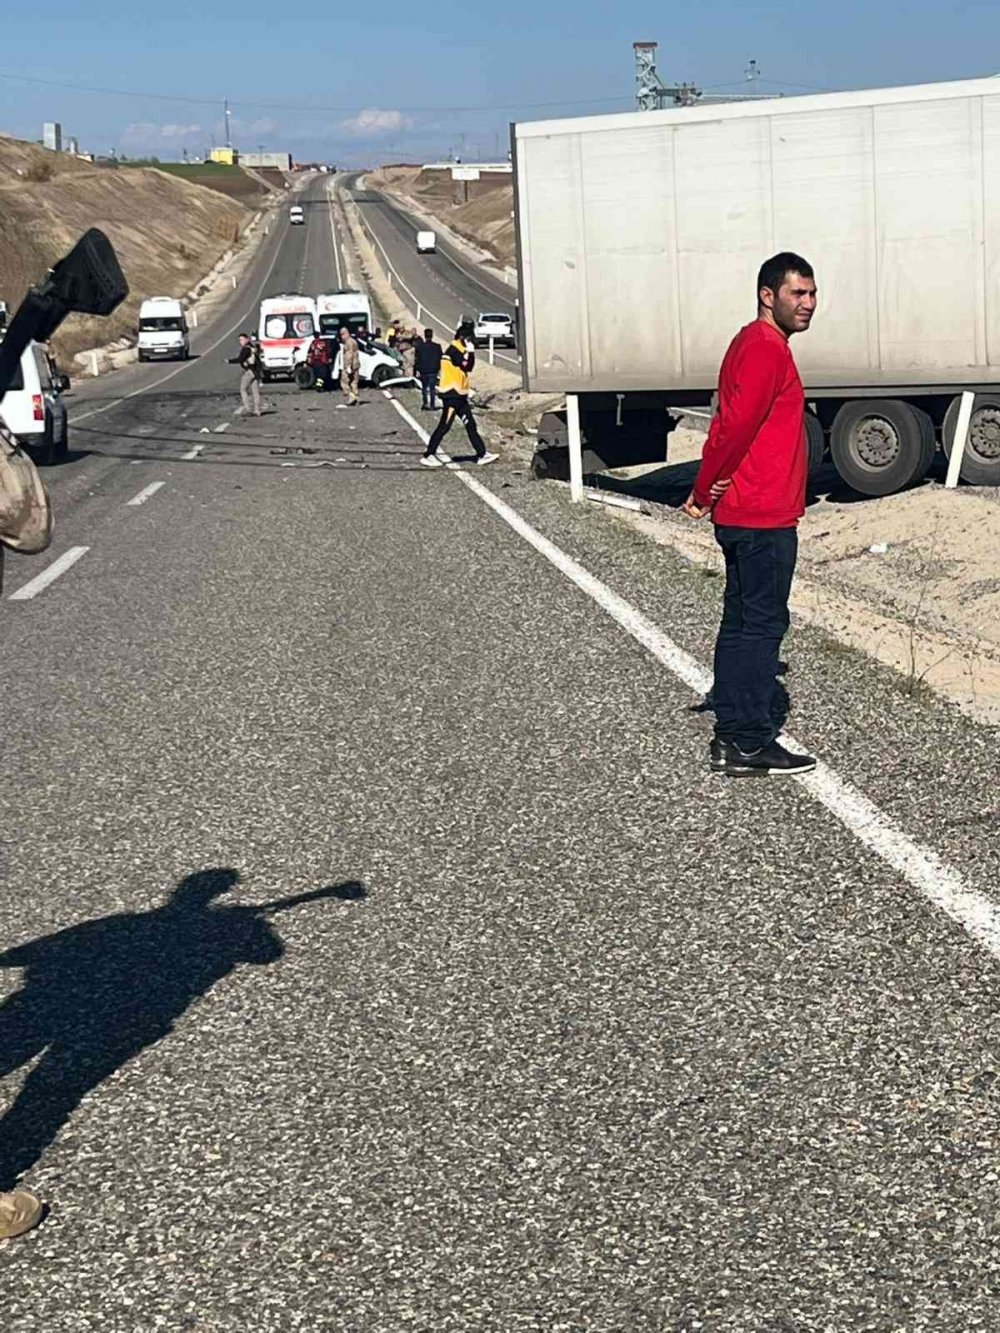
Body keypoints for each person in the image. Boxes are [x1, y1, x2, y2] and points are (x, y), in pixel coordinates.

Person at [683, 251, 818, 778]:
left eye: (812, 293)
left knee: (741, 621)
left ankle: (732, 736)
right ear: (768, 295)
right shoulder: (764, 348)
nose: (808, 303)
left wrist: (709, 487)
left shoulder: (753, 342)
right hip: (762, 514)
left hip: (749, 509)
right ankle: (748, 740)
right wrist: (704, 488)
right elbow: (734, 427)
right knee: (762, 625)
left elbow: (725, 422)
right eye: (797, 293)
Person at [420, 317, 498, 467]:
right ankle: (428, 454)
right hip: (451, 395)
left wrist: (470, 351)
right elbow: (468, 366)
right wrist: (471, 352)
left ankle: (482, 454)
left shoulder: (459, 350)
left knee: (471, 425)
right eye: (469, 339)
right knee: (444, 426)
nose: (471, 341)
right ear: (462, 338)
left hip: (460, 395)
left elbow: (467, 367)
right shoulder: (454, 350)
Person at [229, 333, 262, 416]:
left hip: (249, 372)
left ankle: (247, 409)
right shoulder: (253, 348)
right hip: (255, 372)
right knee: (255, 391)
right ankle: (257, 410)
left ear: (247, 339)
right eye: (239, 340)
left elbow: (240, 359)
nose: (240, 342)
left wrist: (229, 361)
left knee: (243, 389)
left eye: (241, 340)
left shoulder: (246, 349)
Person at [414, 328, 442, 411]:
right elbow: (440, 358)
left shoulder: (420, 347)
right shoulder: (437, 347)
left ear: (425, 336)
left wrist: (416, 370)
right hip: (433, 370)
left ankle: (425, 403)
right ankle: (432, 405)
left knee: (424, 388)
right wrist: (439, 368)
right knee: (432, 388)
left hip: (424, 370)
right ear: (432, 336)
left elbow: (417, 360)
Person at [339, 326, 360, 406]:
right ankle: (357, 399)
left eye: (343, 334)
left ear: (347, 333)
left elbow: (349, 354)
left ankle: (352, 396)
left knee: (344, 382)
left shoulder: (348, 342)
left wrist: (348, 366)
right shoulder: (354, 341)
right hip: (356, 364)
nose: (342, 337)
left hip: (350, 365)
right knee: (354, 382)